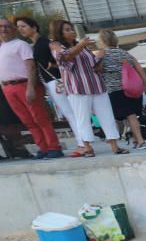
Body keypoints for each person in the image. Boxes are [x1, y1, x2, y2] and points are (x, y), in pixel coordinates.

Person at [50, 20, 128, 156]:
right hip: (77, 87)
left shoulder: (82, 46)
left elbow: (94, 63)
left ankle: (115, 146)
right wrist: (81, 45)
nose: (72, 32)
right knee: (82, 117)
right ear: (60, 33)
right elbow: (66, 57)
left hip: (96, 84)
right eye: (67, 30)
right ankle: (87, 147)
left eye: (72, 29)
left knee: (107, 115)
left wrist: (101, 60)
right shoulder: (57, 45)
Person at [0, 18, 63, 159]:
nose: (3, 29)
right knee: (27, 120)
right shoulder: (2, 47)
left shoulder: (21, 44)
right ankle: (43, 148)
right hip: (8, 88)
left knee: (39, 118)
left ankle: (54, 147)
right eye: (0, 27)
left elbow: (31, 66)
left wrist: (30, 87)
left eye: (6, 26)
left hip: (24, 84)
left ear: (13, 29)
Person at [16, 17, 77, 147]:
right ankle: (82, 142)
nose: (20, 29)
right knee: (70, 112)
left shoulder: (43, 43)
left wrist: (53, 65)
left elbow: (61, 59)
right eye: (19, 27)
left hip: (56, 81)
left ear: (34, 27)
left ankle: (83, 144)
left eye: (23, 26)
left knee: (69, 113)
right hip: (53, 81)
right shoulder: (39, 43)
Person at [97, 28, 146, 150]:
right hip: (131, 89)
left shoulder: (102, 54)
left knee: (124, 116)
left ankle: (140, 141)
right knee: (130, 115)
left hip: (115, 90)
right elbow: (139, 69)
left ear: (102, 41)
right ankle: (136, 140)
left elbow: (96, 69)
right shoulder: (125, 53)